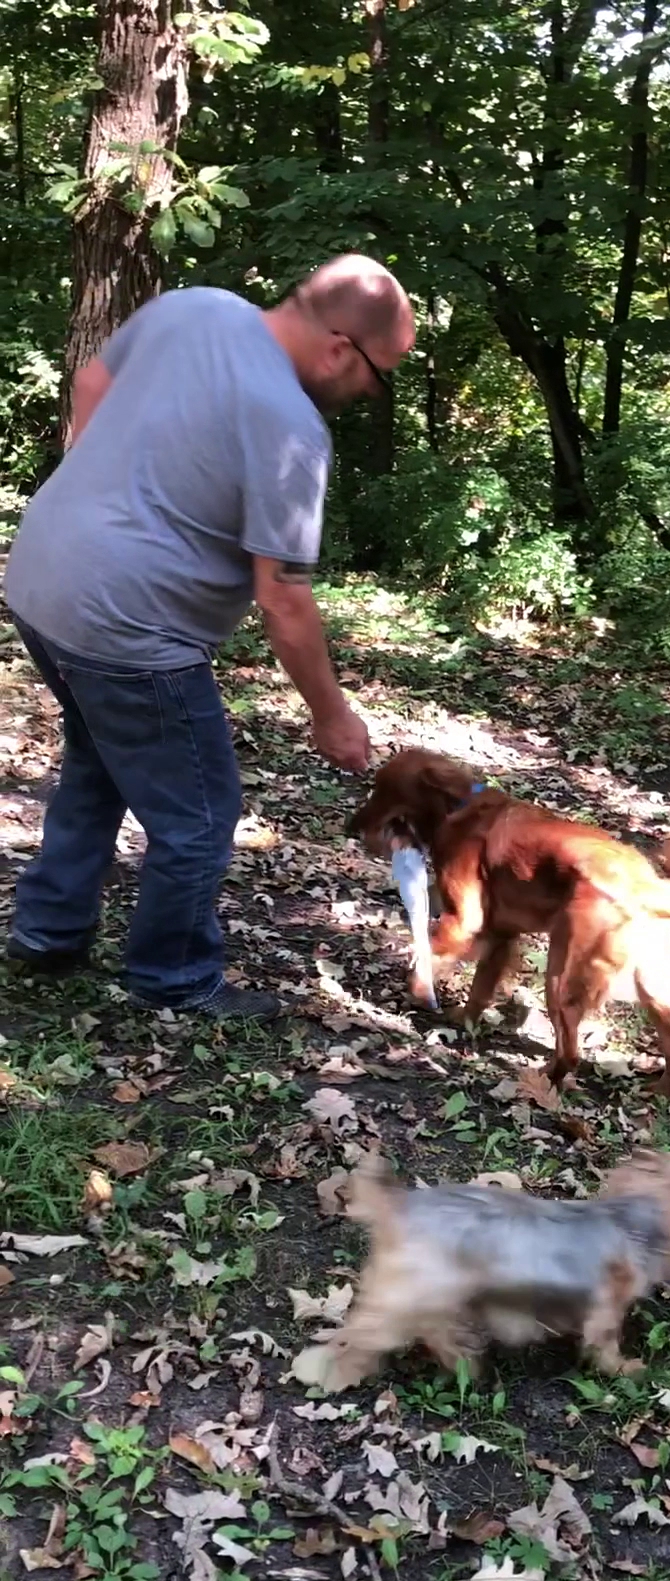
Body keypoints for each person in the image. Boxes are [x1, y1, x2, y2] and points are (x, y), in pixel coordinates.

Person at [3, 253, 415, 1019]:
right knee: (198, 815)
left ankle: (49, 931)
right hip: (129, 628)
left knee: (100, 759)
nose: (367, 393)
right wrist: (332, 715)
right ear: (338, 349)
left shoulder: (196, 307)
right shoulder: (291, 428)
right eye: (376, 375)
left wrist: (96, 504)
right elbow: (283, 600)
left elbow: (91, 385)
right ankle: (174, 981)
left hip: (38, 580)